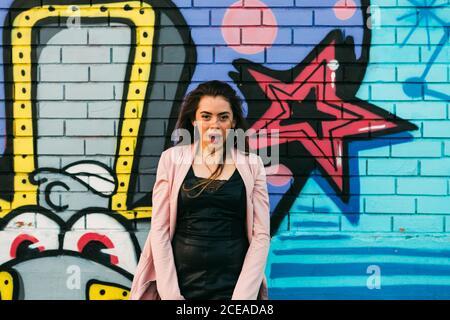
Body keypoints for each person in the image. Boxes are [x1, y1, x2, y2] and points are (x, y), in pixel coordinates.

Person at [130, 80, 270, 300]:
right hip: (181, 285)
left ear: (233, 122)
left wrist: (242, 298)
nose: (214, 124)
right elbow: (159, 230)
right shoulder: (172, 159)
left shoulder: (252, 165)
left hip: (233, 288)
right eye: (206, 116)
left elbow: (261, 236)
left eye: (223, 117)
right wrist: (171, 295)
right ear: (194, 119)